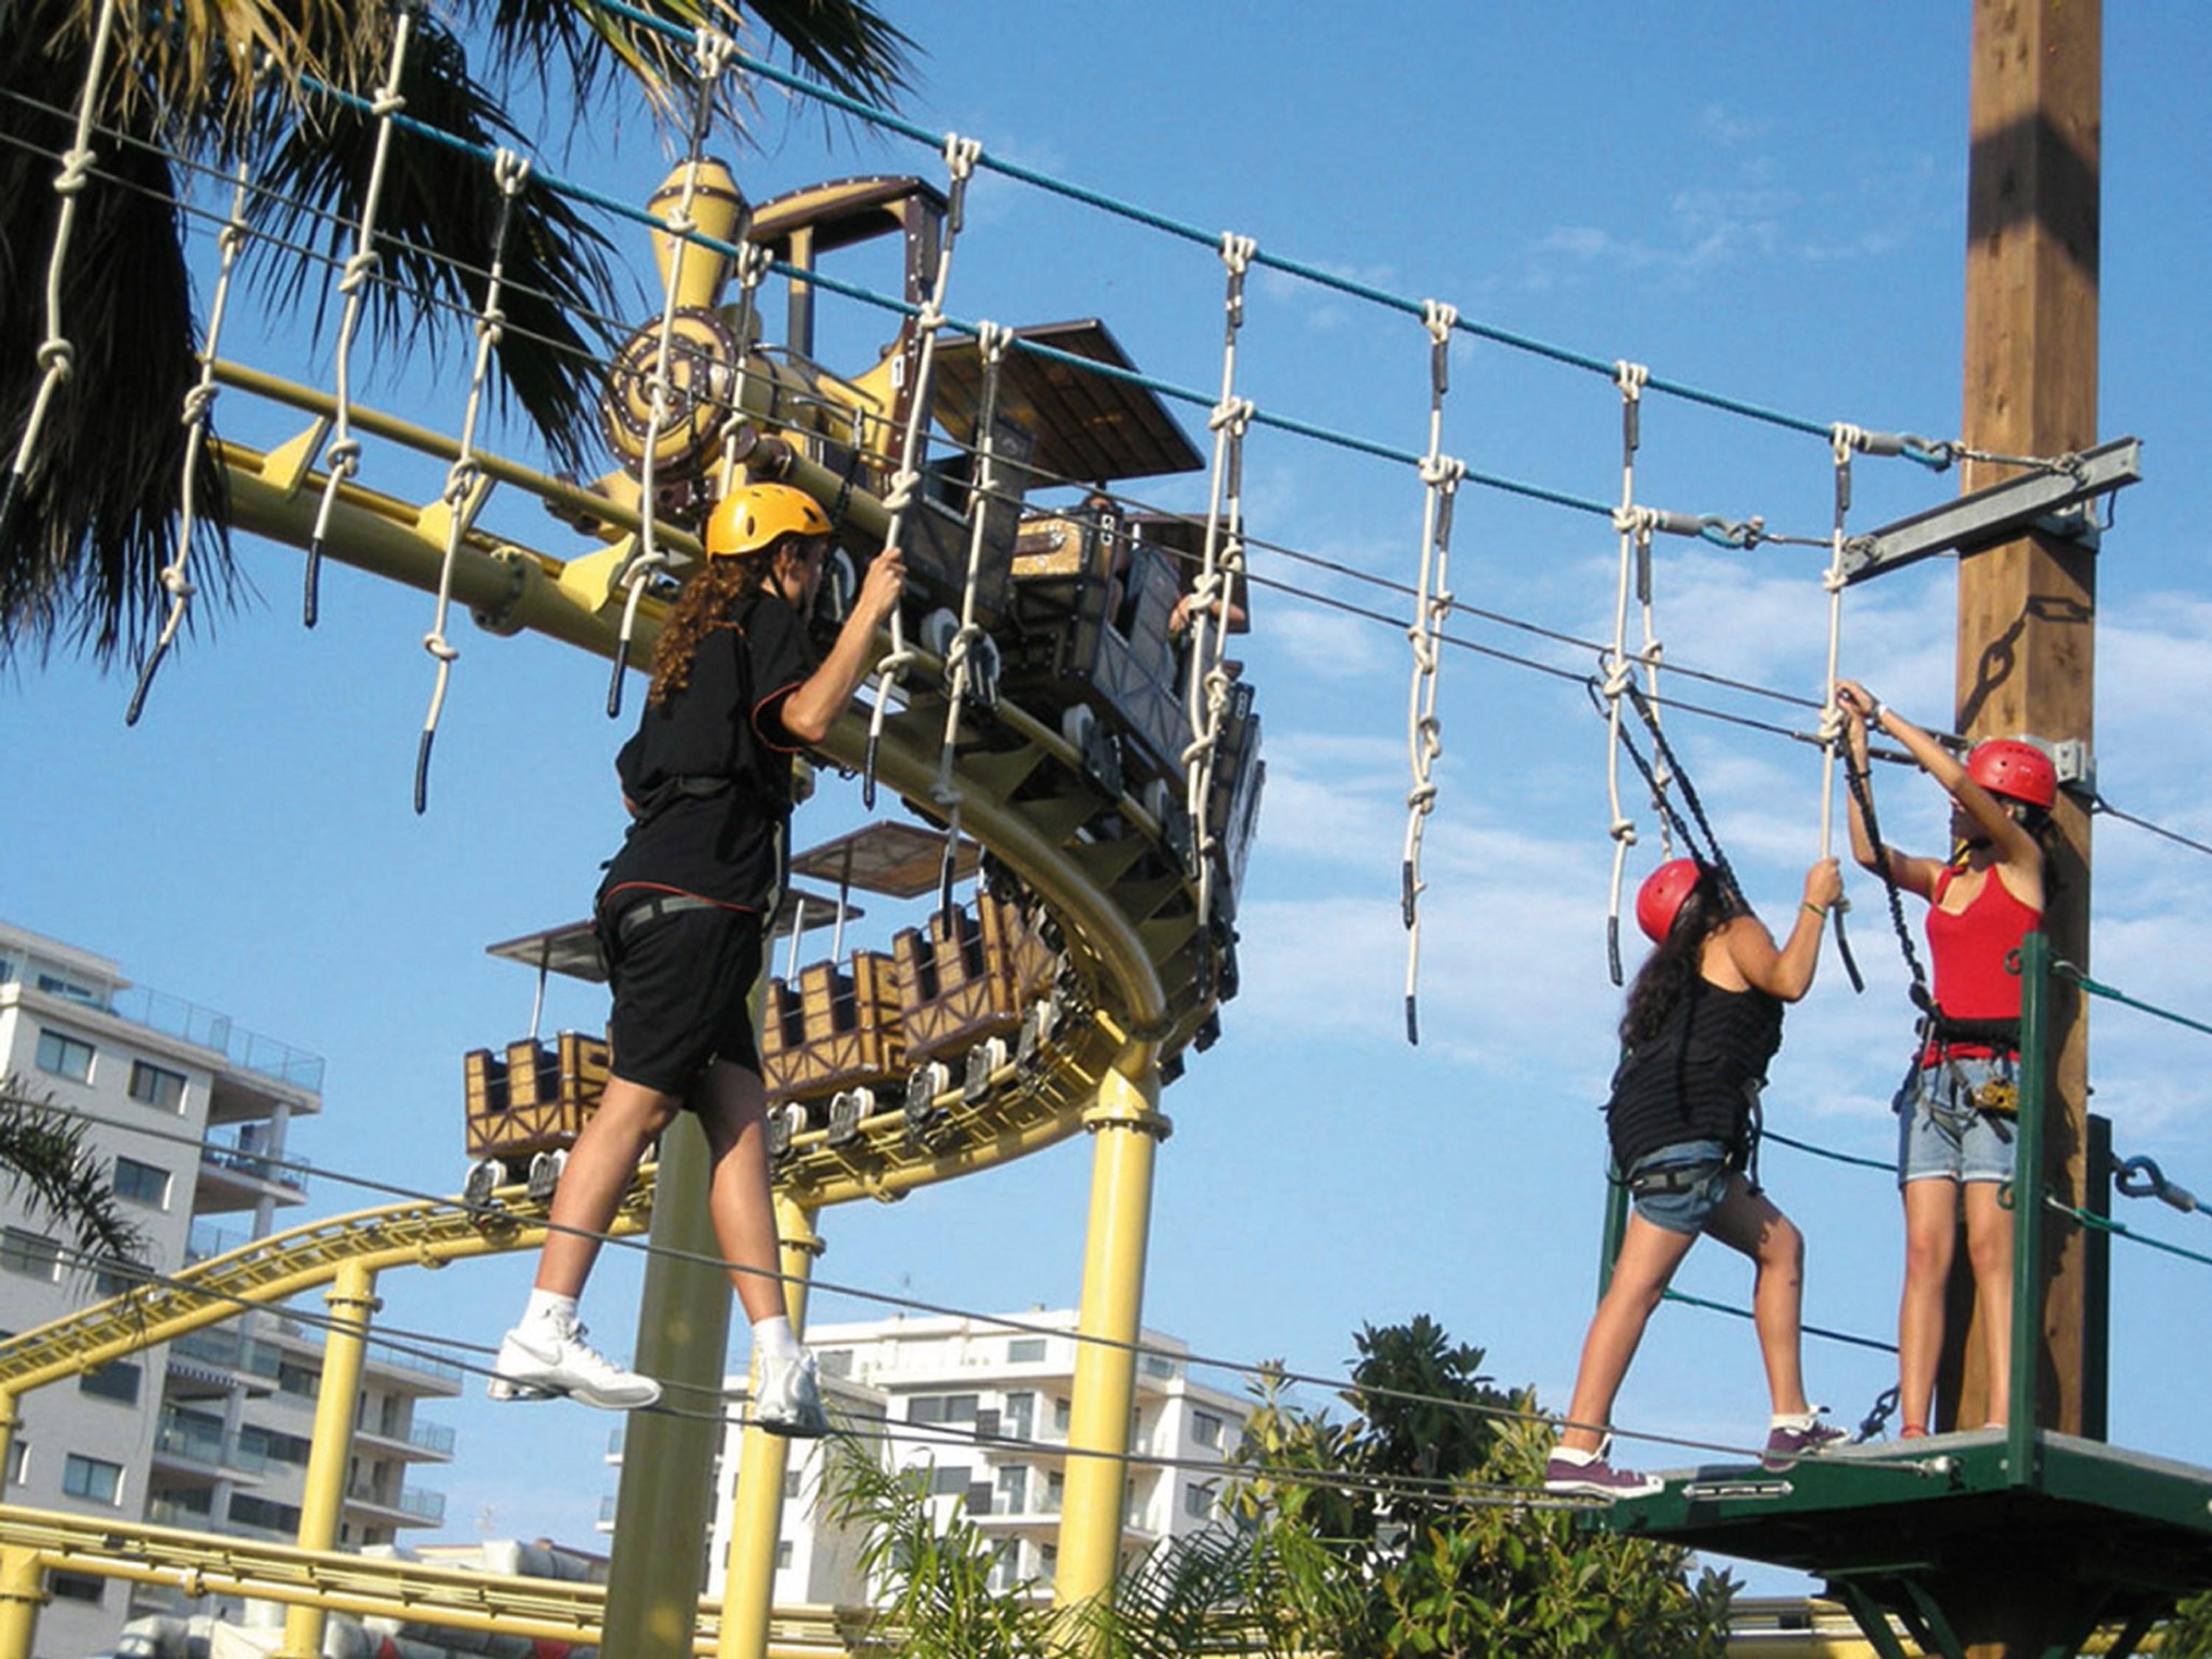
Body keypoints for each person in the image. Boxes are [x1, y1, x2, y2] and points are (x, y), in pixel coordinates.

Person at [489, 481, 905, 1426]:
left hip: (649, 890)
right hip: (703, 902)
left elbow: (636, 781)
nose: (814, 580)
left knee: (739, 1124)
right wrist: (871, 618)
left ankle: (778, 1358)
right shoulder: (765, 618)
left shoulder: (688, 655)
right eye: (814, 564)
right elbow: (806, 719)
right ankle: (545, 1320)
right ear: (788, 561)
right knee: (633, 1109)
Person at [1545, 854, 1847, 1498]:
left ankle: (1791, 1421)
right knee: (1637, 1289)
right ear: (1713, 901)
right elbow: (1790, 978)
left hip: (1661, 1136)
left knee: (1781, 1246)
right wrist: (1815, 903)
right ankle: (1576, 1448)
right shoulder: (1733, 934)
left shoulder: (1681, 976)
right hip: (1687, 1139)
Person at [1835, 681, 2053, 1440]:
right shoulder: (1948, 879)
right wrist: (1857, 747)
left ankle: (2000, 1416)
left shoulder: (2022, 869)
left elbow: (1958, 781)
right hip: (1936, 1076)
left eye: (1974, 804)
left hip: (1997, 1076)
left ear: (2007, 809)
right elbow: (1868, 851)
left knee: (1993, 1250)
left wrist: (1888, 714)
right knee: (1926, 1251)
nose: (1955, 810)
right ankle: (1914, 1428)